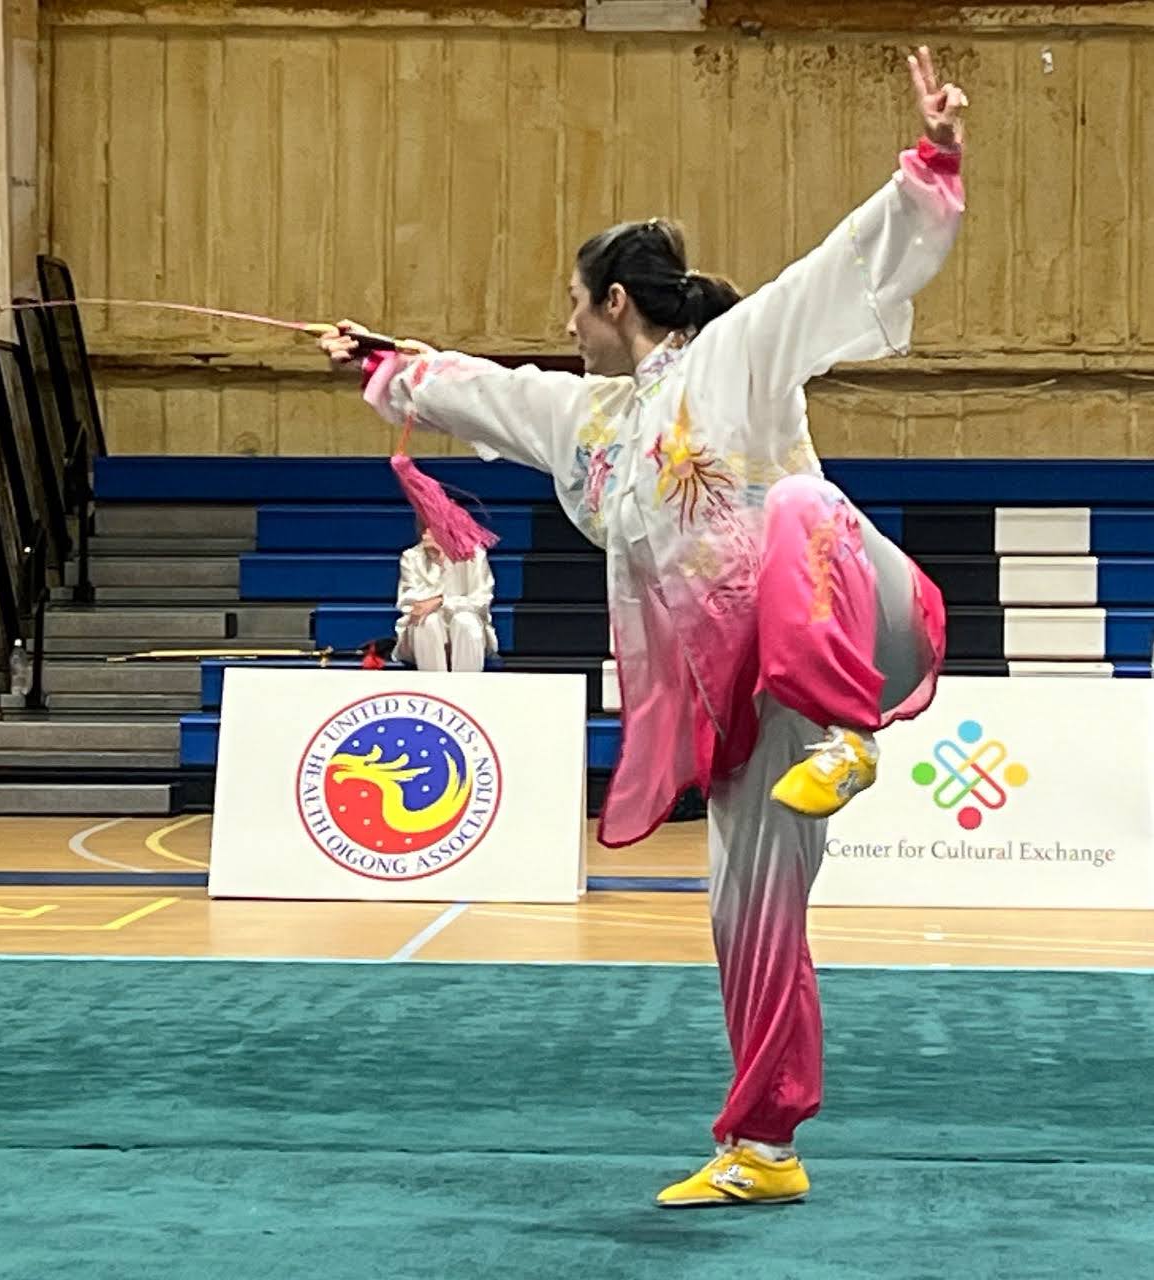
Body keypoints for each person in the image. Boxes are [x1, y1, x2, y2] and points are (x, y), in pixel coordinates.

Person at [321, 49, 966, 1206]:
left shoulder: (737, 355)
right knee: (744, 914)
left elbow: (841, 265)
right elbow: (483, 389)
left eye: (574, 301)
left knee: (801, 505)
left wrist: (930, 161)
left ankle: (849, 734)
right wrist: (382, 362)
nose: (564, 322)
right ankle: (764, 1148)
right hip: (753, 698)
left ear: (616, 300)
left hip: (864, 617)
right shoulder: (592, 421)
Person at [395, 524, 496, 672]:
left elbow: (480, 601)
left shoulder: (475, 555)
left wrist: (442, 601)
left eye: (433, 528)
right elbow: (413, 605)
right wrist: (437, 566)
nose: (426, 534)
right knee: (428, 621)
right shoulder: (411, 557)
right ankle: (433, 684)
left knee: (465, 621)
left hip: (466, 625)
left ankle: (467, 683)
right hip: (425, 628)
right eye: (425, 528)